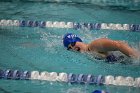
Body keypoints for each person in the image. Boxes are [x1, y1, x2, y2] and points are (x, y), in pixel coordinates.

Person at [63, 33, 139, 62]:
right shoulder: (90, 52)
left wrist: (137, 57)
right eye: (69, 49)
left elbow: (119, 44)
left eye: (70, 48)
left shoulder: (93, 46)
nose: (72, 50)